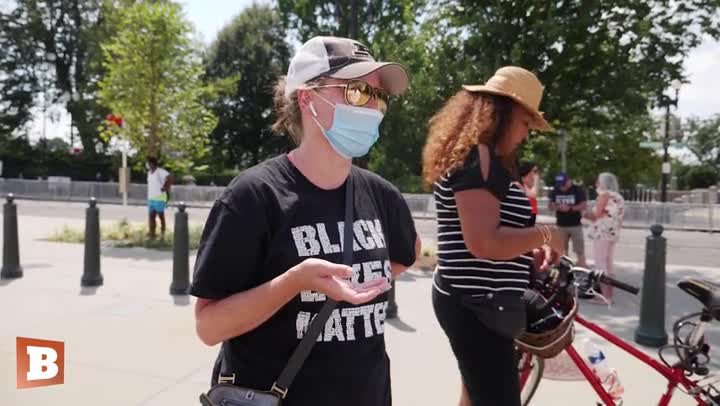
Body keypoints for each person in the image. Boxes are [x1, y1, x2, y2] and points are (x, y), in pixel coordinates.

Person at [190, 36, 420, 406]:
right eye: (358, 91)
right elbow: (209, 326)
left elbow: (408, 252)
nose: (374, 107)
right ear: (308, 98)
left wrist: (359, 284)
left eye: (380, 97)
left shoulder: (382, 195)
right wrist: (294, 282)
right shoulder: (253, 196)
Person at [422, 66, 565, 406]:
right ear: (499, 113)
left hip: (477, 302)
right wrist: (547, 235)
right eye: (524, 123)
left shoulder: (481, 159)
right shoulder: (478, 158)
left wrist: (526, 250)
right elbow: (484, 242)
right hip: (477, 305)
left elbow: (477, 238)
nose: (526, 134)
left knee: (474, 395)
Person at [584, 172, 625, 304]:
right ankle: (609, 296)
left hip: (601, 232)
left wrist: (581, 213)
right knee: (608, 264)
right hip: (612, 233)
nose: (596, 183)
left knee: (600, 265)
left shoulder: (604, 195)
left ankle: (604, 297)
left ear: (603, 182)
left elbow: (596, 214)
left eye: (598, 180)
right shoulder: (618, 197)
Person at [549, 172, 587, 267]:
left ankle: (582, 266)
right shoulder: (555, 190)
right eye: (560, 185)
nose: (562, 187)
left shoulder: (577, 190)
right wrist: (556, 207)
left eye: (564, 184)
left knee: (579, 249)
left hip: (575, 225)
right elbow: (550, 205)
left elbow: (583, 205)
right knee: (561, 249)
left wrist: (570, 208)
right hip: (561, 225)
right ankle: (565, 267)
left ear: (569, 181)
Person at [146, 156, 172, 239]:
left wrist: (165, 187)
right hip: (151, 198)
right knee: (151, 216)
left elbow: (170, 178)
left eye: (148, 163)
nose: (147, 165)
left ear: (152, 163)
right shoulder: (149, 172)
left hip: (159, 197)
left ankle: (163, 233)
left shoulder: (160, 171)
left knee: (161, 216)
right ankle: (152, 233)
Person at [517, 161, 540, 226]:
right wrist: (536, 180)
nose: (536, 173)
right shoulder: (519, 183)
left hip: (532, 213)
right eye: (535, 171)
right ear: (528, 172)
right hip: (524, 214)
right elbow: (533, 194)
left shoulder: (531, 183)